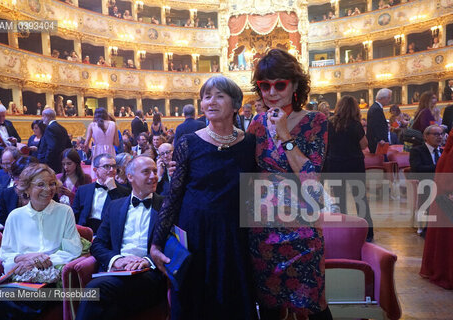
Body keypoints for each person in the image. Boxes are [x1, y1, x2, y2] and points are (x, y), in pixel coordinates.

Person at [150, 75, 257, 319]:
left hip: (234, 237)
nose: (211, 102)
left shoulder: (250, 143)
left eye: (220, 96)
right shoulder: (188, 142)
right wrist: (156, 244)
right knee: (194, 304)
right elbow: (173, 195)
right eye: (206, 97)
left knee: (233, 304)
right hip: (195, 236)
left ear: (235, 104)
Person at [247, 49, 332, 319]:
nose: (272, 92)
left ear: (295, 85)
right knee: (270, 309)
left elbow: (311, 176)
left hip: (303, 232)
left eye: (280, 84)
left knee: (314, 306)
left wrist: (285, 135)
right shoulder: (256, 124)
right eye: (265, 85)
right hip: (262, 231)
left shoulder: (315, 121)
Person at [0, 164, 82, 319]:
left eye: (52, 184)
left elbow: (73, 250)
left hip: (51, 280)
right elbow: (6, 254)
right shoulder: (15, 216)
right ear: (26, 189)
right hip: (20, 277)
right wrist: (23, 259)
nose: (48, 189)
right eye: (40, 185)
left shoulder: (64, 212)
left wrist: (42, 260)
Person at [75, 156, 167, 320]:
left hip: (150, 275)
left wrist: (148, 259)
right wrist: (116, 260)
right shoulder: (115, 206)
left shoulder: (166, 206)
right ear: (130, 177)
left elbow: (175, 244)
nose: (154, 176)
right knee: (110, 310)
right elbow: (98, 245)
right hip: (118, 273)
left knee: (95, 291)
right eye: (146, 172)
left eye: (154, 171)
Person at [323, 95, 374, 241]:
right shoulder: (355, 124)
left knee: (339, 200)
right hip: (354, 164)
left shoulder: (329, 123)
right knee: (360, 199)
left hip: (335, 164)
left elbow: (326, 145)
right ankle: (368, 233)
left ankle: (342, 232)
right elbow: (364, 145)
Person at [420, 133, 453, 289]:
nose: (439, 137)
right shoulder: (449, 155)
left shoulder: (446, 153)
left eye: (441, 134)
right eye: (435, 134)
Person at [72, 154, 130, 233]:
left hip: (108, 234)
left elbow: (121, 215)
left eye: (114, 166)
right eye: (106, 166)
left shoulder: (124, 191)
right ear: (96, 170)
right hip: (84, 232)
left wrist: (113, 190)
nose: (112, 170)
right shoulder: (83, 190)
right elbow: (74, 216)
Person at [0, 156, 39, 225]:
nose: (16, 182)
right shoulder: (7, 193)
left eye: (21, 179)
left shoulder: (45, 193)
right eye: (15, 177)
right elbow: (3, 222)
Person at [37, 108, 73, 173]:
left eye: (43, 116)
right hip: (60, 162)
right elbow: (68, 145)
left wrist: (46, 162)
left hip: (51, 164)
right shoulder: (62, 128)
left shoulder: (49, 128)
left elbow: (51, 147)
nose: (42, 119)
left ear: (48, 116)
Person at [367, 88, 391, 153]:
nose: (389, 100)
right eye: (388, 98)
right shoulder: (376, 109)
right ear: (382, 98)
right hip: (378, 143)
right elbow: (375, 126)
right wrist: (379, 139)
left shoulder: (376, 107)